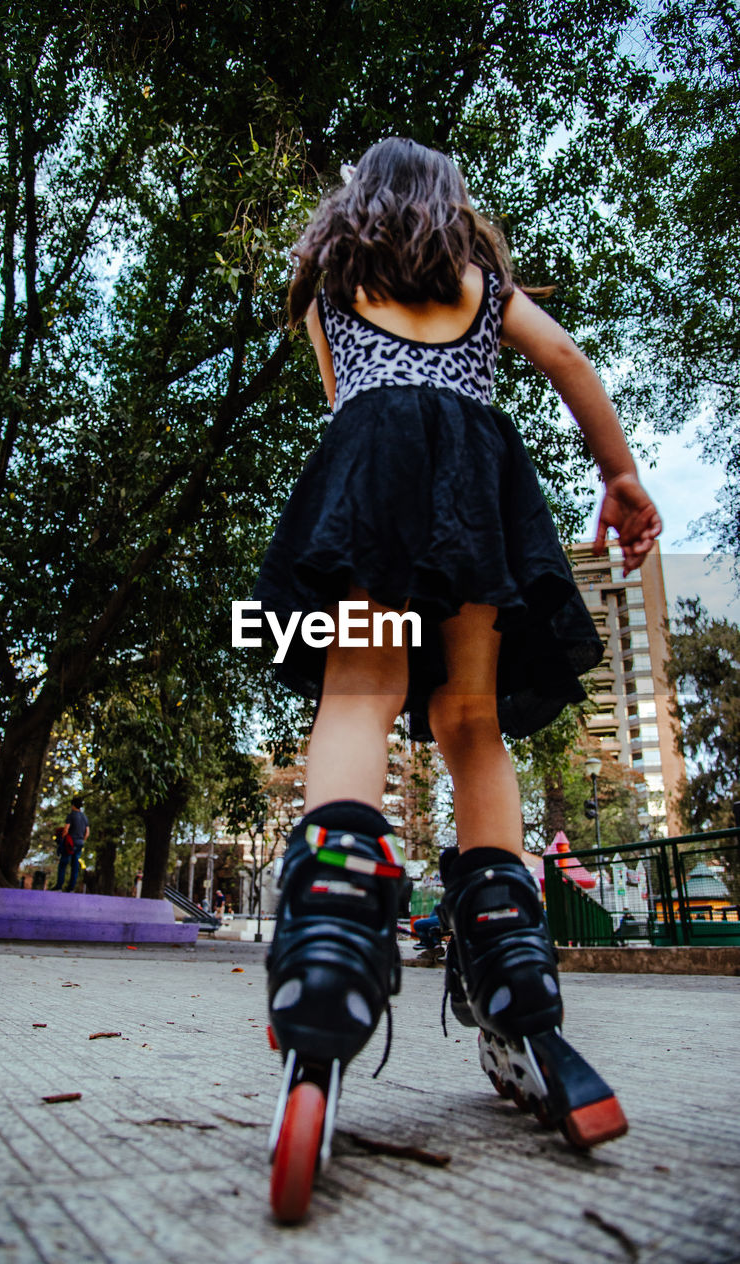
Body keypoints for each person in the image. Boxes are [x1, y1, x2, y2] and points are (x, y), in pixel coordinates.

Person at [256, 138, 661, 1219]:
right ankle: (514, 975)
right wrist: (617, 478)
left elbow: (348, 397)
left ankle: (336, 924)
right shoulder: (483, 286)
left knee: (359, 693)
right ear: (449, 203)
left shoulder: (331, 285)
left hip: (369, 472)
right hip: (473, 480)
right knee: (472, 718)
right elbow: (567, 360)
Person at [55, 797, 89, 891]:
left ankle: (59, 886)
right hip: (80, 843)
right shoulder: (84, 817)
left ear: (73, 805)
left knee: (63, 863)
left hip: (70, 843)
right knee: (75, 865)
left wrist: (62, 839)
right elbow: (87, 832)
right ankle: (71, 887)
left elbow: (66, 829)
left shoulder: (71, 815)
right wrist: (82, 840)